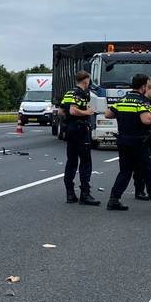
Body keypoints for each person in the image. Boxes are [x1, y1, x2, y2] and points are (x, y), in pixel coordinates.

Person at [104, 73, 151, 213]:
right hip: (139, 141)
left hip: (123, 140)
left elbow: (108, 114)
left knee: (124, 171)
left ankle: (114, 199)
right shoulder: (140, 101)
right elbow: (146, 120)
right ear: (143, 87)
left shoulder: (123, 99)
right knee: (148, 172)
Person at [61, 70, 100, 206]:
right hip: (80, 130)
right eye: (89, 79)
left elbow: (61, 111)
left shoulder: (68, 93)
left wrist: (69, 120)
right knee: (85, 162)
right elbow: (72, 110)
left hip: (70, 129)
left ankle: (70, 193)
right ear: (86, 80)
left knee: (71, 161)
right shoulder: (80, 93)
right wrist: (87, 112)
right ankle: (85, 194)